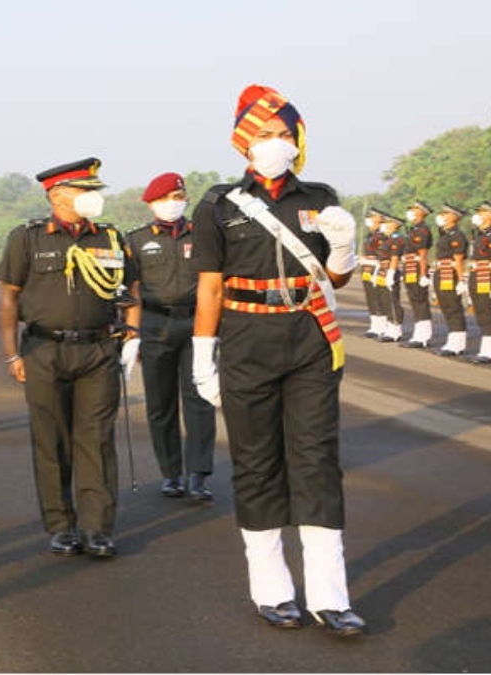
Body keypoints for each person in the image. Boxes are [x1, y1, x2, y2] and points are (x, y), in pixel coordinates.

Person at [190, 84, 366, 636]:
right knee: (257, 462)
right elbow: (210, 288)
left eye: (285, 135)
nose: (276, 144)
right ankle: (271, 589)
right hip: (246, 340)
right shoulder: (218, 205)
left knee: (316, 460)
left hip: (309, 337)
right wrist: (203, 356)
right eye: (265, 135)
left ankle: (330, 598)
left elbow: (337, 277)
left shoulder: (319, 196)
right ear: (244, 143)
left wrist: (342, 248)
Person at [0, 157, 136, 558]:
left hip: (97, 349)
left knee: (96, 439)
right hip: (43, 349)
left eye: (95, 191)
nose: (94, 198)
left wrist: (132, 338)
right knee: (51, 440)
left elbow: (131, 289)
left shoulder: (109, 238)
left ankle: (97, 528)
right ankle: (61, 525)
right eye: (85, 191)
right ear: (58, 195)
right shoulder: (28, 238)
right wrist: (10, 354)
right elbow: (9, 297)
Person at [124, 172, 217, 501]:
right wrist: (129, 334)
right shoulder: (134, 241)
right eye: (166, 198)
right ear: (151, 202)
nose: (173, 204)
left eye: (178, 197)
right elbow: (129, 291)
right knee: (160, 404)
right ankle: (171, 474)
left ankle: (198, 475)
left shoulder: (204, 236)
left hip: (196, 324)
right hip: (154, 324)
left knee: (200, 399)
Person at [465, 202, 491, 364]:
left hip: (486, 277)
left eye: (482, 212)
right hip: (476, 275)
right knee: (481, 312)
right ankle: (485, 349)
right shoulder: (480, 235)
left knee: (488, 312)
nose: (478, 215)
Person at [432, 204, 470, 357]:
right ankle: (452, 340)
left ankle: (458, 343)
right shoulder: (445, 234)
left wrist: (461, 280)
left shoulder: (457, 236)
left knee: (453, 308)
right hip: (442, 272)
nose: (442, 216)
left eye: (445, 213)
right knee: (446, 307)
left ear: (454, 217)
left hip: (450, 274)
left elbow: (459, 259)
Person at [400, 200, 435, 348]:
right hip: (410, 267)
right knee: (414, 301)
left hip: (416, 268)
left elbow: (422, 254)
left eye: (414, 209)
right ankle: (418, 334)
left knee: (420, 302)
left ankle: (423, 336)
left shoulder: (422, 231)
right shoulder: (413, 230)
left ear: (422, 212)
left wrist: (423, 275)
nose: (411, 212)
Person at [376, 214, 406, 342]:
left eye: (387, 223)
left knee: (393, 300)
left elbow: (394, 258)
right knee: (385, 299)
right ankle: (389, 327)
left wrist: (391, 273)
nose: (384, 225)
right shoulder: (388, 239)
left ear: (394, 225)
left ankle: (396, 329)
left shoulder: (397, 239)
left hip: (391, 271)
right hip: (384, 270)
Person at [359, 210, 387, 338]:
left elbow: (381, 255)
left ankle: (382, 326)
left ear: (380, 219)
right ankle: (374, 326)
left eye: (372, 217)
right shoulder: (370, 235)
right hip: (367, 269)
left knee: (379, 297)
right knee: (370, 297)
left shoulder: (382, 236)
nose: (369, 219)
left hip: (376, 269)